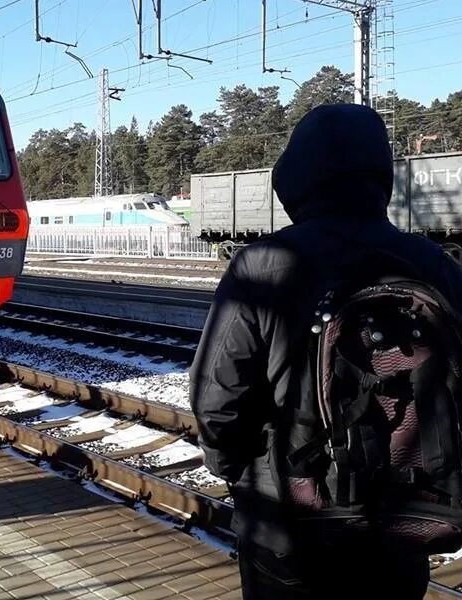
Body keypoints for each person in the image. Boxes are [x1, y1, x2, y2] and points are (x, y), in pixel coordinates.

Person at [189, 104, 462, 600]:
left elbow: (217, 402)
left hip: (288, 521)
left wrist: (239, 474)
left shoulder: (262, 263)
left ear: (298, 178)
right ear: (382, 176)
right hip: (404, 519)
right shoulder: (433, 264)